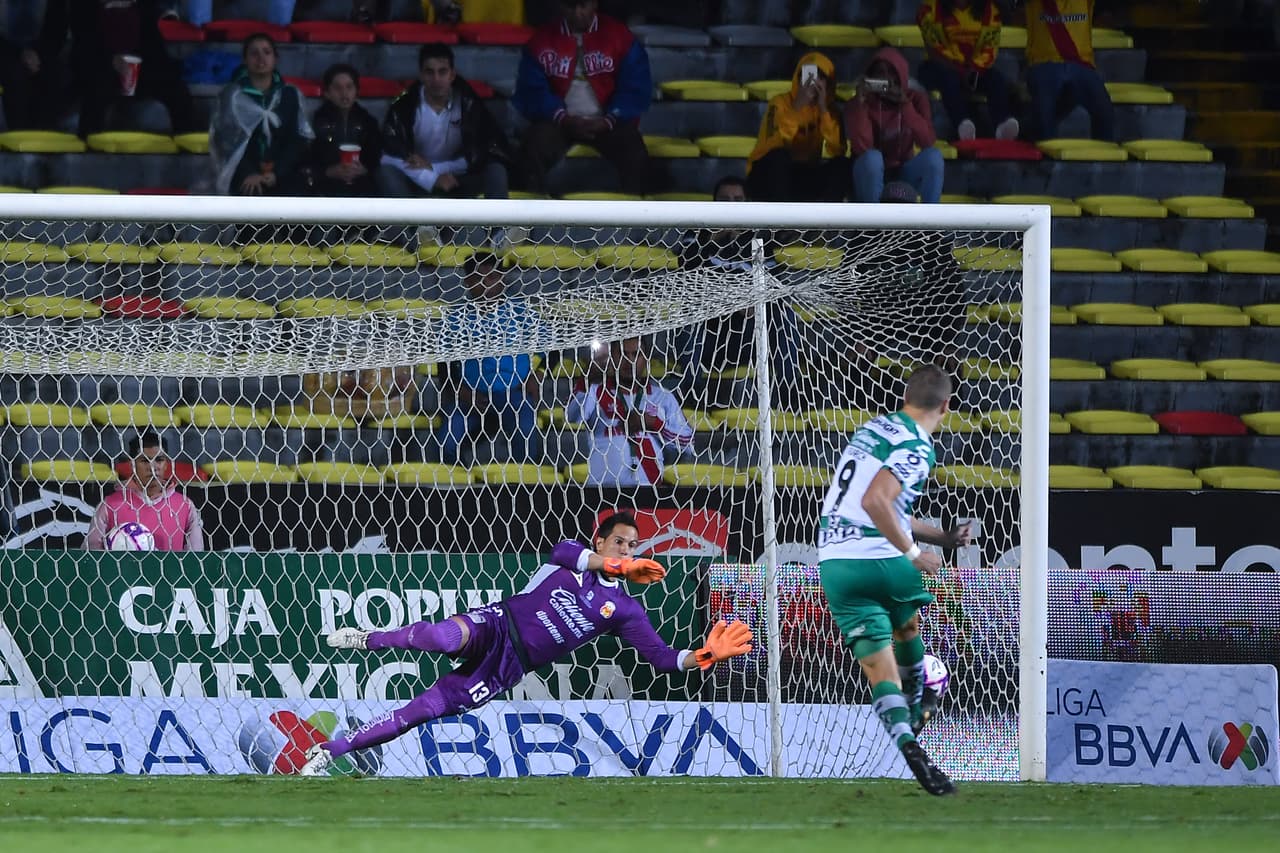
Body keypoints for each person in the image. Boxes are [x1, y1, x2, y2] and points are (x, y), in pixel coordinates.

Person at [299, 511, 754, 775]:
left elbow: (662, 659)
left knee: (419, 712)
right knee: (440, 635)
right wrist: (615, 568)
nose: (626, 550)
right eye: (619, 542)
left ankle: (328, 752)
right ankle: (368, 638)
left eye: (633, 547)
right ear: (601, 540)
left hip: (507, 668)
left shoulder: (628, 610)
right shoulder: (575, 557)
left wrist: (706, 654)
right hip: (497, 624)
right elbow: (563, 552)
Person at [816, 364, 973, 796]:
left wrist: (939, 536)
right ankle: (924, 694)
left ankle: (907, 743)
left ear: (905, 397)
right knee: (908, 626)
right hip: (880, 556)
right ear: (946, 405)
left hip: (835, 563)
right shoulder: (918, 446)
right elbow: (875, 501)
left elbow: (886, 507)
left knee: (876, 666)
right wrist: (915, 554)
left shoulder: (873, 429)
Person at [675, 175, 804, 408]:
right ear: (714, 203)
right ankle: (690, 393)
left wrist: (754, 302)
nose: (732, 206)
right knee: (688, 313)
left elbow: (775, 284)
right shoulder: (697, 232)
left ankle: (790, 393)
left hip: (747, 335)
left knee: (784, 314)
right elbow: (686, 268)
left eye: (738, 200)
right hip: (710, 333)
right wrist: (716, 237)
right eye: (725, 200)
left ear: (748, 203)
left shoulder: (761, 237)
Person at [513, 0, 656, 196]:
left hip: (608, 121)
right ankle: (525, 221)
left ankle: (639, 219)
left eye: (583, 6)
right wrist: (563, 118)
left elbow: (635, 86)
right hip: (558, 121)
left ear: (594, 4)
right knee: (532, 149)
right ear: (561, 6)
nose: (578, 13)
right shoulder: (541, 41)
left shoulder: (619, 36)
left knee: (635, 153)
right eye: (571, 6)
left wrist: (609, 119)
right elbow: (532, 90)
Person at [36, 0, 199, 136]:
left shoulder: (144, 5)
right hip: (99, 65)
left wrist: (142, 63)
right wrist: (110, 60)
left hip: (139, 65)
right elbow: (83, 41)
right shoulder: (84, 6)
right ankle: (90, 149)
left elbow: (152, 41)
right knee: (97, 89)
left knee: (176, 89)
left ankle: (189, 149)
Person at [437, 251, 541, 464]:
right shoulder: (456, 317)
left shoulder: (521, 312)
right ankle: (457, 490)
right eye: (480, 279)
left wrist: (535, 374)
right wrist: (461, 389)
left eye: (493, 277)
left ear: (502, 279)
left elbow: (553, 345)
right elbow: (444, 360)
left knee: (527, 431)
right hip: (472, 396)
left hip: (512, 392)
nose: (487, 284)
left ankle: (526, 487)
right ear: (468, 282)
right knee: (447, 439)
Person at [378, 43, 513, 202]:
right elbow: (387, 156)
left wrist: (436, 169)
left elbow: (480, 153)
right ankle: (405, 227)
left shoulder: (469, 104)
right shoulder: (404, 107)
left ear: (452, 75)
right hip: (417, 179)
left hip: (457, 178)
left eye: (442, 72)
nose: (436, 79)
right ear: (421, 75)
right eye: (430, 72)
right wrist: (431, 178)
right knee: (386, 172)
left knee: (496, 170)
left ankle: (497, 227)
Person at [566, 337, 694, 486]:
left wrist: (654, 423)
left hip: (648, 491)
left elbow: (688, 444)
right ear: (612, 357)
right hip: (602, 491)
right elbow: (571, 416)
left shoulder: (662, 397)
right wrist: (586, 380)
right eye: (623, 354)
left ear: (646, 359)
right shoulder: (595, 391)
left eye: (636, 354)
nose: (630, 361)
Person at [209, 32, 312, 196]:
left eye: (266, 52)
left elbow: (297, 140)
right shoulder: (232, 96)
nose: (260, 58)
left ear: (275, 58)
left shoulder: (290, 95)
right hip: (244, 175)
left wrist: (277, 172)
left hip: (283, 174)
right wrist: (249, 172)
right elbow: (227, 140)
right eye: (254, 53)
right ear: (245, 60)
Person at [745, 52, 849, 203]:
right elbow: (775, 144)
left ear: (829, 83)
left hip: (804, 172)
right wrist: (797, 107)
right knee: (780, 157)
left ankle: (826, 220)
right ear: (798, 79)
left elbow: (837, 150)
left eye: (820, 77)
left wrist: (823, 111)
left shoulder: (830, 111)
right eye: (809, 76)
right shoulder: (779, 102)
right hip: (767, 173)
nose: (814, 83)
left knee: (842, 164)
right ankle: (778, 221)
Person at [845, 47, 944, 204]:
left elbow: (927, 141)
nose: (886, 78)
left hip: (903, 170)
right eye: (880, 72)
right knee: (873, 158)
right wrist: (860, 105)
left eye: (891, 72)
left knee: (934, 157)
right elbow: (862, 147)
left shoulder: (915, 99)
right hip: (870, 173)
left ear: (901, 75)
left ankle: (931, 222)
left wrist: (905, 105)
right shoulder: (858, 103)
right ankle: (873, 225)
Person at [916, 0, 1019, 141]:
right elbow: (934, 50)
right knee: (948, 78)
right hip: (938, 65)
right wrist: (961, 70)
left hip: (973, 67)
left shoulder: (990, 11)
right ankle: (962, 124)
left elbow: (989, 47)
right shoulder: (929, 9)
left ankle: (1003, 124)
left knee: (996, 78)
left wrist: (974, 69)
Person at [86, 431, 204, 551]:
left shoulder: (184, 505)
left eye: (159, 460)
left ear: (167, 465)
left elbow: (195, 557)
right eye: (145, 461)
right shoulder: (110, 505)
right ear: (132, 465)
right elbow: (91, 555)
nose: (153, 467)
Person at [1023, 0, 1115, 141]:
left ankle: (1104, 161)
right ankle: (1045, 159)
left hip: (1081, 63)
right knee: (1044, 116)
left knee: (1105, 112)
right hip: (1044, 62)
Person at [309, 63, 382, 198]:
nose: (344, 93)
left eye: (349, 87)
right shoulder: (316, 121)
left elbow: (375, 154)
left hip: (361, 182)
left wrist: (364, 169)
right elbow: (307, 157)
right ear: (327, 93)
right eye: (337, 88)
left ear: (356, 91)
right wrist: (327, 171)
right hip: (326, 182)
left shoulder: (368, 121)